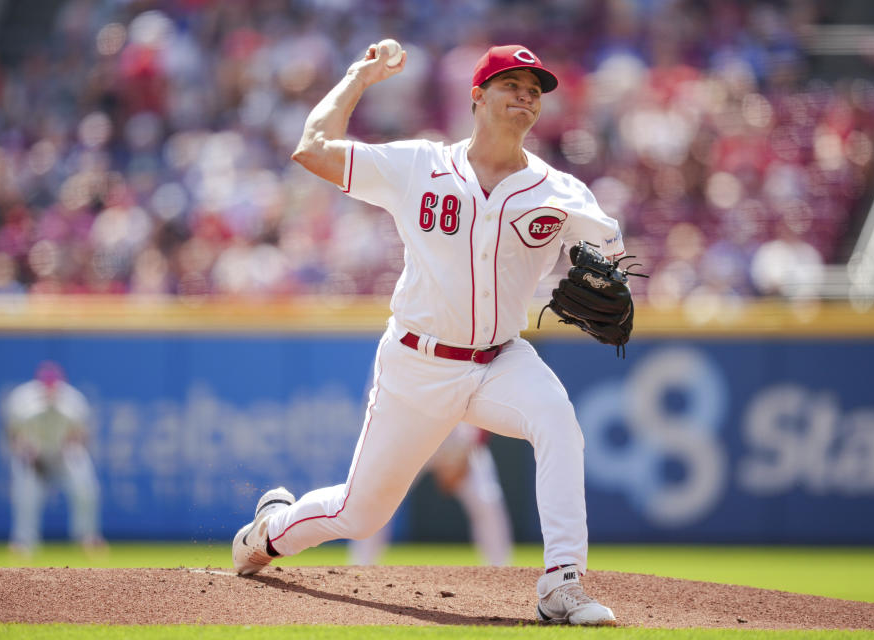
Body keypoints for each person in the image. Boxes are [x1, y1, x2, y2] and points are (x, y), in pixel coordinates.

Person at [232, 42, 625, 626]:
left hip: (500, 360)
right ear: (476, 96)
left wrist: (612, 282)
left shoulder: (562, 193)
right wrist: (358, 77)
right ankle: (268, 531)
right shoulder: (419, 165)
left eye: (535, 89)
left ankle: (562, 584)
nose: (526, 95)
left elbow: (610, 263)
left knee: (559, 422)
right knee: (358, 515)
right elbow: (311, 148)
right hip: (418, 364)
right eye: (512, 84)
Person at [348, 422, 513, 566]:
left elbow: (481, 403)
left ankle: (500, 568)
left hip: (457, 438)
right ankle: (360, 565)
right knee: (380, 499)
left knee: (487, 499)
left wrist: (467, 449)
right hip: (412, 438)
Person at [4, 361, 104, 554]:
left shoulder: (73, 400)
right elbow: (13, 433)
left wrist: (68, 449)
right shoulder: (23, 400)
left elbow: (83, 434)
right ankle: (23, 541)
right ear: (40, 384)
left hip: (63, 453)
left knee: (84, 487)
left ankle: (87, 537)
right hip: (33, 454)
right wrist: (28, 451)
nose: (50, 390)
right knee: (26, 494)